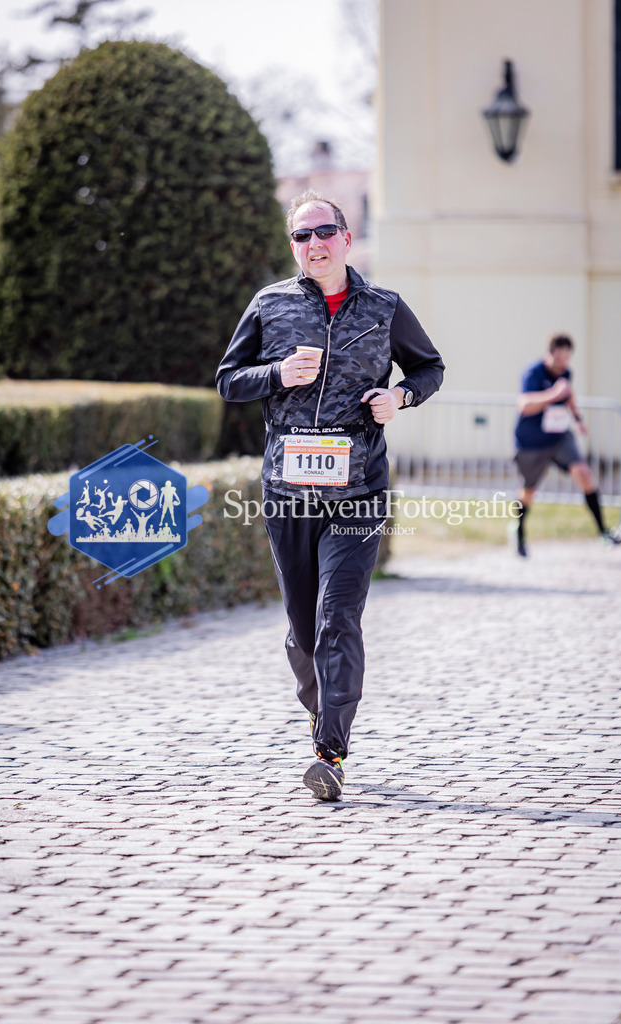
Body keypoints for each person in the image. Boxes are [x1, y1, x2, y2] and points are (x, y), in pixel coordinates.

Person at [216, 189, 445, 801]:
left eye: (324, 232)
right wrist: (275, 374)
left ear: (346, 237)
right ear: (293, 245)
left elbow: (429, 368)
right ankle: (323, 715)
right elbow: (227, 380)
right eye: (301, 236)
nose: (313, 244)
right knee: (302, 628)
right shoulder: (270, 306)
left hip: (359, 488)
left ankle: (331, 750)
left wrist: (400, 398)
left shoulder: (384, 308)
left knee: (337, 615)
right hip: (288, 490)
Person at [514, 334, 616, 557]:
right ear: (549, 354)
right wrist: (553, 395)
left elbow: (568, 394)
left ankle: (603, 531)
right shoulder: (533, 372)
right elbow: (524, 405)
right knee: (528, 492)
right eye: (559, 359)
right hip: (532, 442)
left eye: (566, 359)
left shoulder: (566, 373)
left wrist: (578, 419)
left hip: (559, 438)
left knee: (584, 474)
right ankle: (519, 533)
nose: (563, 364)